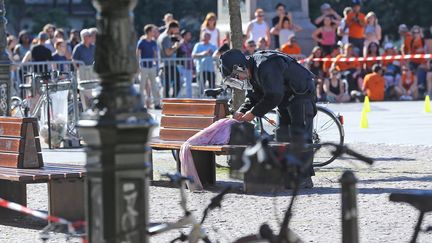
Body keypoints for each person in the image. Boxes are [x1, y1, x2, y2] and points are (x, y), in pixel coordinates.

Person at [219, 49, 317, 188]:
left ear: (241, 66)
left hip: (301, 95)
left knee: (300, 134)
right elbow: (253, 97)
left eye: (236, 75)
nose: (238, 79)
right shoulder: (252, 71)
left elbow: (273, 95)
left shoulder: (265, 65)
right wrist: (241, 111)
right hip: (286, 99)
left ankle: (304, 177)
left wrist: (253, 113)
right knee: (281, 135)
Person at [136, 24, 161, 109]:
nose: (154, 33)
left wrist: (156, 64)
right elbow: (137, 54)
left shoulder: (154, 42)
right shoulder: (142, 42)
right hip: (143, 66)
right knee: (142, 85)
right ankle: (141, 104)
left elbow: (155, 54)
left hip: (151, 67)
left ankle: (157, 103)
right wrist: (138, 66)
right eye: (153, 31)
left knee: (154, 85)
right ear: (148, 32)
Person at [157, 20, 181, 97]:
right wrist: (176, 46)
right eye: (176, 30)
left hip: (165, 64)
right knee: (176, 84)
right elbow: (168, 53)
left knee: (167, 85)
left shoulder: (161, 36)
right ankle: (170, 101)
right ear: (172, 28)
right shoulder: (166, 37)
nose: (177, 32)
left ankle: (168, 102)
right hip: (168, 65)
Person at [177, 29, 194, 98]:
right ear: (184, 36)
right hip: (181, 66)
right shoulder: (180, 44)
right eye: (188, 35)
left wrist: (193, 67)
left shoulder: (189, 45)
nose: (190, 36)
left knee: (189, 85)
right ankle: (177, 98)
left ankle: (189, 99)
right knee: (180, 83)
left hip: (189, 66)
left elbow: (190, 55)